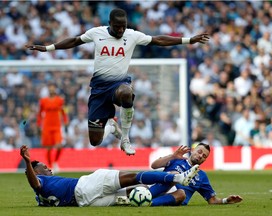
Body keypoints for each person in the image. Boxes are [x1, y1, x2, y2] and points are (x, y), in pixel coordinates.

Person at [26, 8, 210, 155]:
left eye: (123, 26)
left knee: (127, 94)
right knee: (95, 141)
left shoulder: (132, 35)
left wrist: (188, 40)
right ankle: (111, 126)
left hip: (118, 84)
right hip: (99, 89)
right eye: (117, 27)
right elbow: (74, 40)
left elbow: (158, 40)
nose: (121, 30)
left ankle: (125, 138)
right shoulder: (96, 33)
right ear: (110, 24)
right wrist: (48, 48)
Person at [20, 145, 200, 207]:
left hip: (84, 203)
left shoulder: (41, 199)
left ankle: (173, 195)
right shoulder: (40, 182)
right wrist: (28, 162)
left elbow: (37, 190)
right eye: (44, 167)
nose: (49, 169)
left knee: (134, 194)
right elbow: (34, 183)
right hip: (87, 185)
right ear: (36, 172)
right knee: (134, 177)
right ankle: (177, 179)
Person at [149, 144, 243, 206]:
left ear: (204, 160)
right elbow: (154, 165)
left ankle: (149, 203)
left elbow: (212, 200)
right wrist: (172, 156)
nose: (201, 156)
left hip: (176, 197)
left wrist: (226, 200)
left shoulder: (201, 176)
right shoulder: (177, 159)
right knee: (173, 175)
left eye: (204, 156)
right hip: (158, 188)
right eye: (199, 152)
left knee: (181, 193)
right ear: (193, 150)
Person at [37, 82, 69, 172]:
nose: (51, 89)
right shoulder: (43, 101)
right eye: (50, 87)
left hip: (56, 126)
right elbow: (39, 113)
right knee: (49, 148)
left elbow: (63, 112)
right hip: (47, 126)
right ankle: (50, 165)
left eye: (53, 87)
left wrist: (65, 120)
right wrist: (39, 124)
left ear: (55, 89)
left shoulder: (60, 100)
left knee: (59, 146)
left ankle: (55, 162)